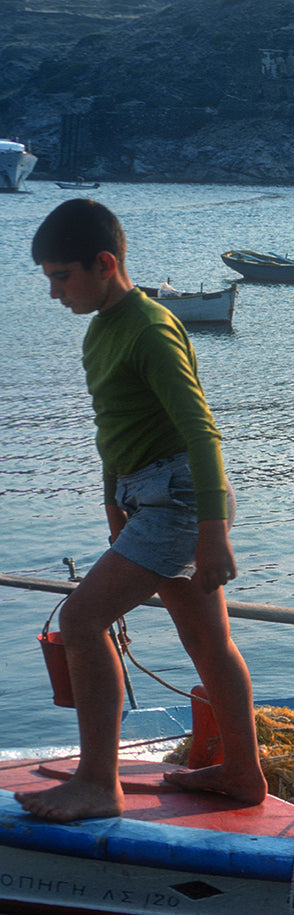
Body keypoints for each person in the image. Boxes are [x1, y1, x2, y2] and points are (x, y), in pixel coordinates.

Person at [18, 199, 267, 822]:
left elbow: (200, 431)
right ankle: (242, 773)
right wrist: (111, 498)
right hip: (147, 496)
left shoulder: (151, 328)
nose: (53, 292)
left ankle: (98, 783)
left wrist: (213, 535)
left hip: (183, 500)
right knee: (208, 641)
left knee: (80, 621)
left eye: (61, 275)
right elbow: (115, 425)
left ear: (104, 263)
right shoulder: (102, 330)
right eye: (47, 277)